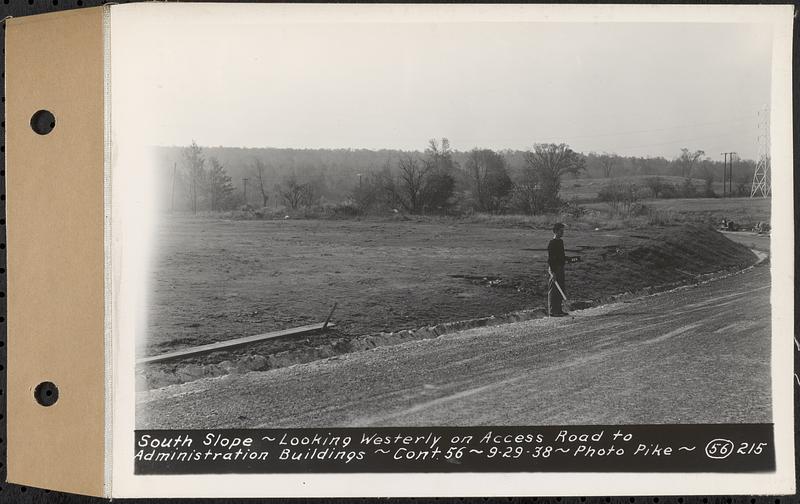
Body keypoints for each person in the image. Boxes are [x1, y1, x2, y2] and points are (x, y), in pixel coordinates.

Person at [547, 222, 575, 317]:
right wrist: (553, 272)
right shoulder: (552, 243)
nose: (562, 233)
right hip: (554, 269)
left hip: (560, 268)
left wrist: (569, 259)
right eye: (560, 231)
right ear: (555, 231)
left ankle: (558, 310)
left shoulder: (560, 242)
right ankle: (552, 311)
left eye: (563, 231)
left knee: (560, 289)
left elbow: (561, 256)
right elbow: (551, 260)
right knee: (553, 290)